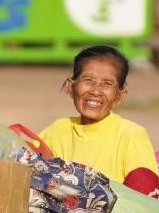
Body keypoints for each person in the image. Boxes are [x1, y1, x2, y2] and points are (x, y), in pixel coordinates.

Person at [39, 45, 159, 194]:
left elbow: (143, 196)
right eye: (88, 80)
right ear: (71, 87)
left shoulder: (131, 135)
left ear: (119, 96)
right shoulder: (57, 130)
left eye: (107, 84)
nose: (96, 91)